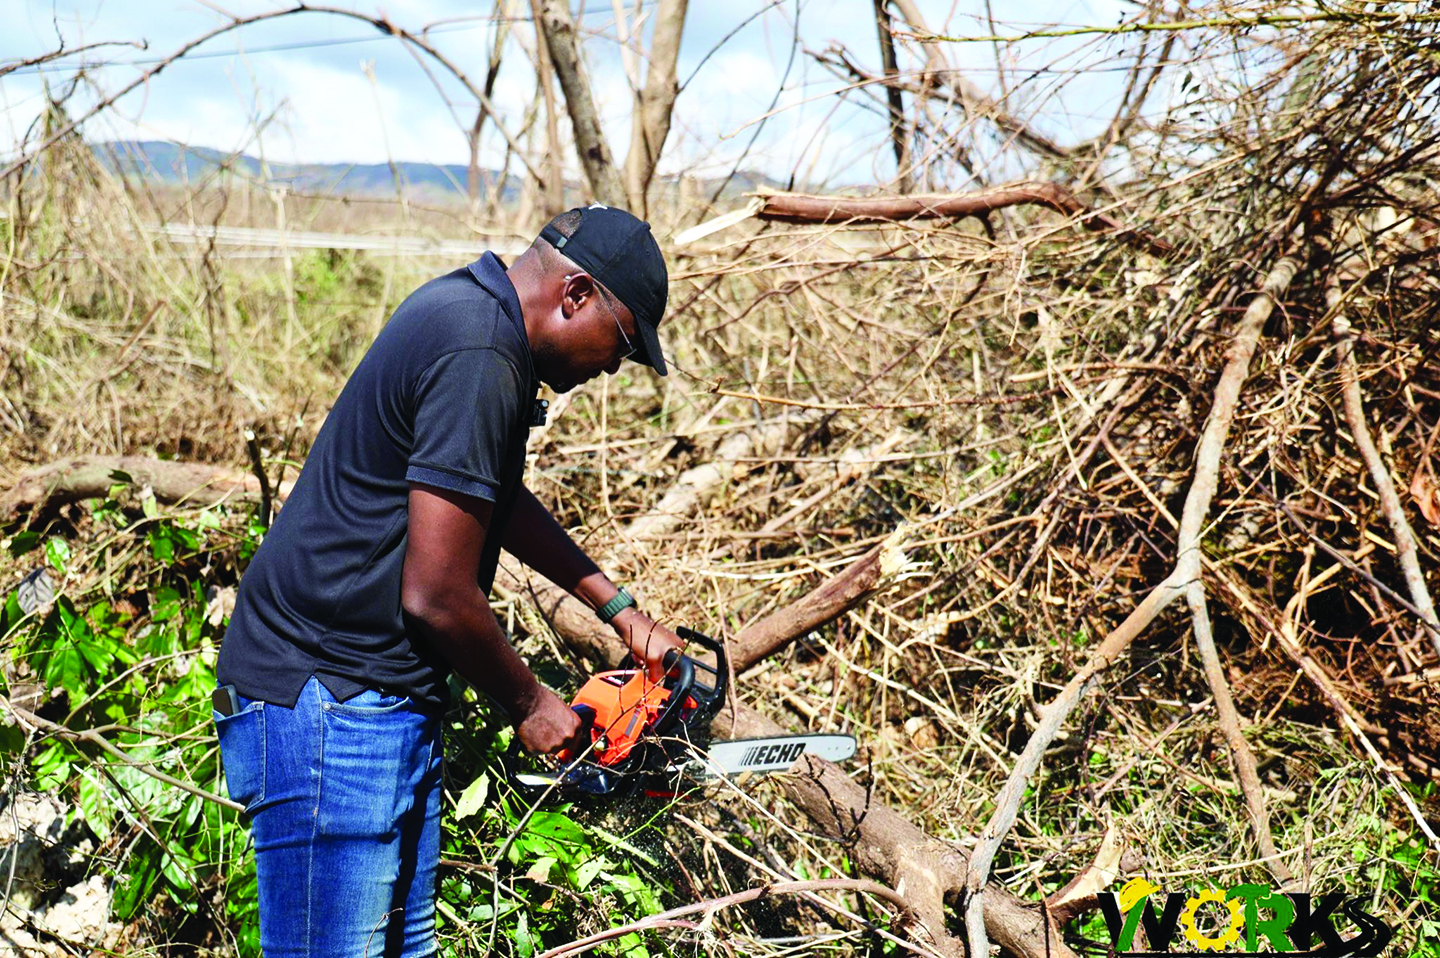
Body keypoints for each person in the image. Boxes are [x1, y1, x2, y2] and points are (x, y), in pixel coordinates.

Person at [211, 204, 684, 958]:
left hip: (377, 699)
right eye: (622, 343)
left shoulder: (478, 320)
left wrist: (618, 609)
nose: (613, 368)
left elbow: (491, 492)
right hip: (328, 700)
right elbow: (434, 594)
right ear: (577, 294)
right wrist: (533, 705)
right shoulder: (478, 349)